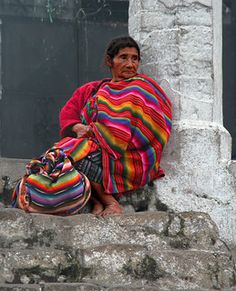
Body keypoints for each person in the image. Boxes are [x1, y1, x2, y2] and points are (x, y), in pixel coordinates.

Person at [12, 36, 172, 217]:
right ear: (109, 61)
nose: (130, 64)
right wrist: (77, 128)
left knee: (75, 154)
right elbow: (68, 115)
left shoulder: (143, 87)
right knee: (61, 155)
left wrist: (114, 136)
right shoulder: (92, 90)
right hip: (97, 152)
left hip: (131, 156)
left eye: (134, 59)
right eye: (123, 57)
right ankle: (95, 202)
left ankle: (111, 203)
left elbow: (157, 122)